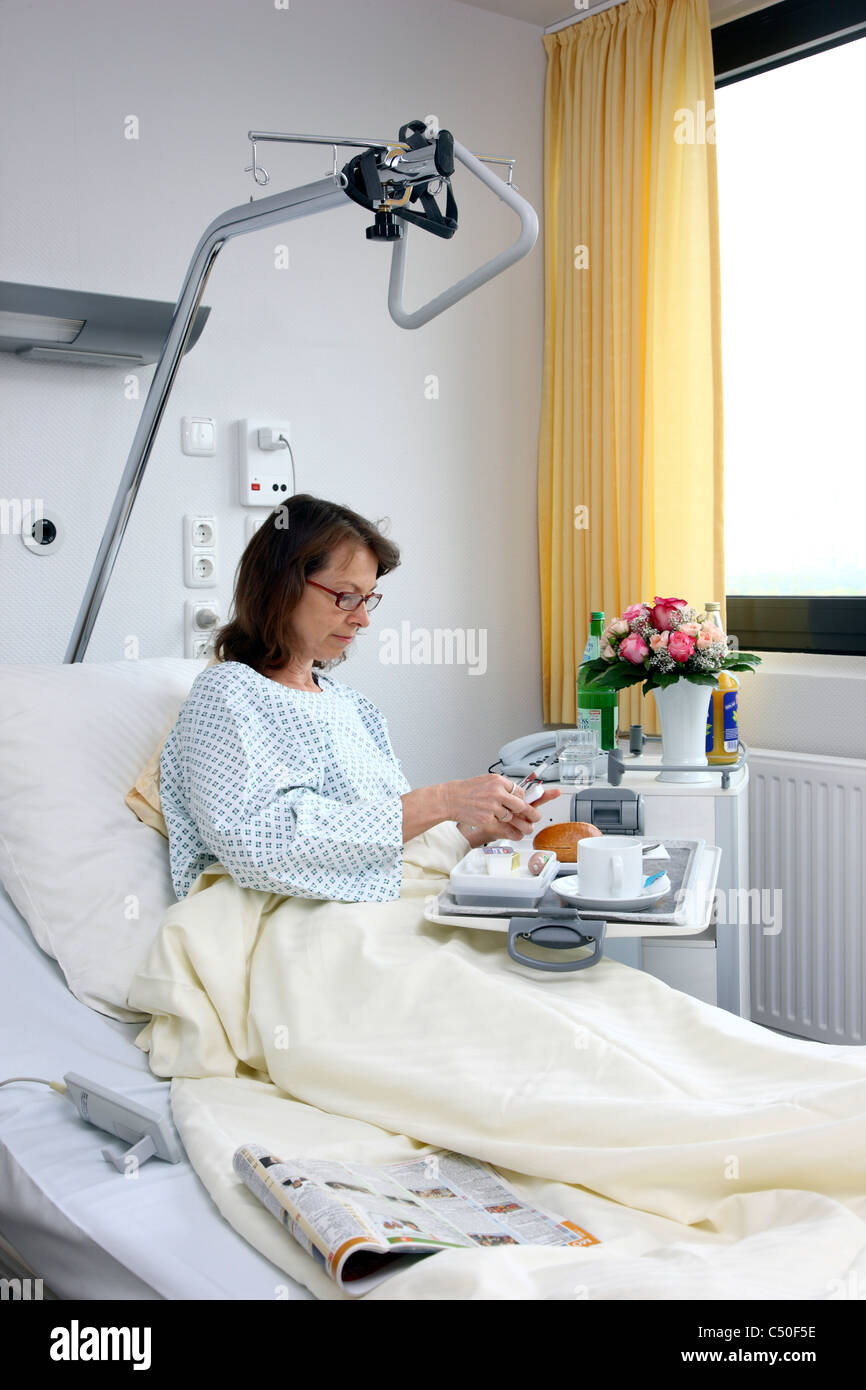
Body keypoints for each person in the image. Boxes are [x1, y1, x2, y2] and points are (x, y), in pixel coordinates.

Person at [159, 494, 558, 902]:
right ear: (282, 586)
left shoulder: (353, 706)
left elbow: (385, 841)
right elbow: (258, 845)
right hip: (292, 913)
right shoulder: (228, 692)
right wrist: (442, 800)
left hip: (388, 893)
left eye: (367, 598)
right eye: (346, 596)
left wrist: (475, 828)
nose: (363, 618)